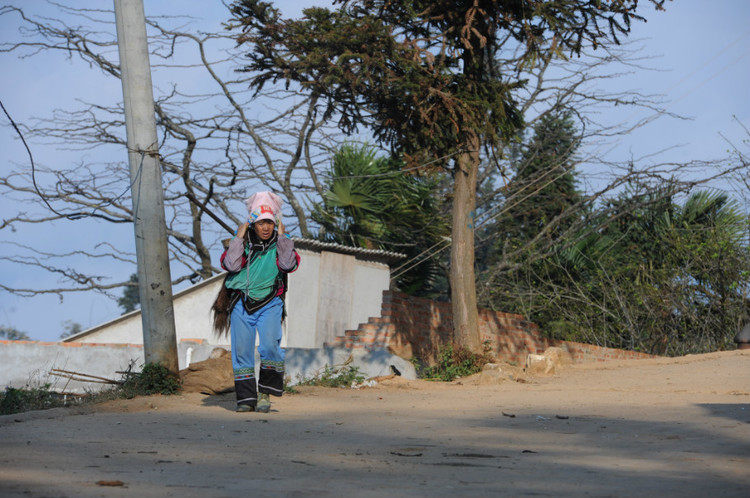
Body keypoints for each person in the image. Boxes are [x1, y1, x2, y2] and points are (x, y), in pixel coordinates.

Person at [212, 191, 300, 413]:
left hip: (271, 303)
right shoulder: (241, 244)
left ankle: (264, 395)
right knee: (242, 350)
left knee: (270, 346)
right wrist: (238, 238)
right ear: (252, 224)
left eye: (270, 222)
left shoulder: (282, 244)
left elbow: (288, 264)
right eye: (261, 222)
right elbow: (231, 266)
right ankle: (246, 399)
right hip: (241, 303)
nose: (265, 227)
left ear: (275, 224)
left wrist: (282, 237)